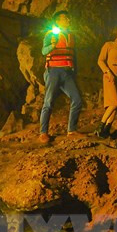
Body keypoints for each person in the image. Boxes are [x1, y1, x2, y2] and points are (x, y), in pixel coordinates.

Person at [40, 10, 84, 143]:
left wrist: (74, 71)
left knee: (77, 99)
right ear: (58, 20)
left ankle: (71, 131)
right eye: (65, 18)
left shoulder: (71, 35)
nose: (68, 20)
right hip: (53, 70)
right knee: (48, 102)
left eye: (68, 18)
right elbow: (43, 51)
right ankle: (43, 133)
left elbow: (73, 53)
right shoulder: (50, 35)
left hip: (67, 72)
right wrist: (52, 45)